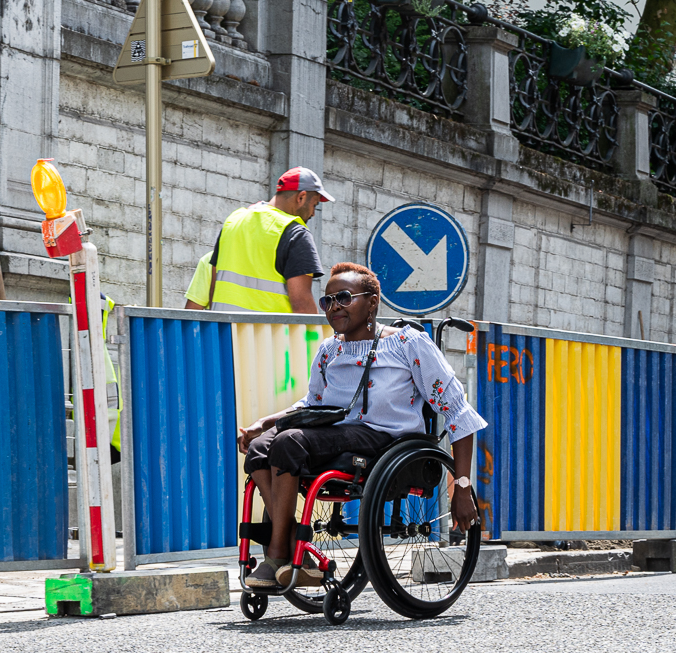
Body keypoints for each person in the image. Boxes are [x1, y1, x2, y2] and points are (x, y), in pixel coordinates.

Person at [235, 262, 485, 589]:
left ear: (372, 302)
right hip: (333, 435)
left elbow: (457, 411)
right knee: (259, 448)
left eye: (343, 297)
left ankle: (279, 552)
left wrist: (462, 487)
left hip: (385, 441)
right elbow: (311, 404)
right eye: (327, 301)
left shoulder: (408, 344)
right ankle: (296, 545)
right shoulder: (329, 351)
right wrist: (263, 424)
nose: (334, 306)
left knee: (288, 442)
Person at [184, 167, 331, 314]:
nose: (313, 213)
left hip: (226, 327)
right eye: (314, 205)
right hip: (268, 329)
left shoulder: (233, 221)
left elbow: (214, 289)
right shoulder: (295, 232)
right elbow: (302, 306)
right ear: (301, 197)